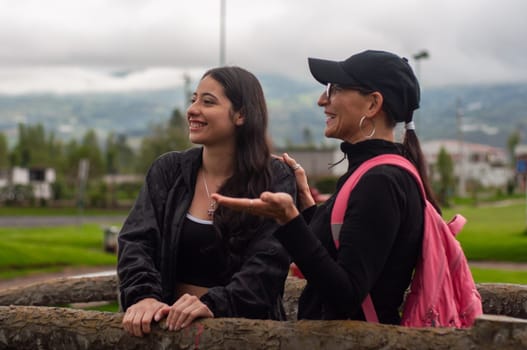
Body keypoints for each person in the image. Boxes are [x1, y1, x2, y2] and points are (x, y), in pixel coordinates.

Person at [213, 50, 440, 324]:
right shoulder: (372, 172)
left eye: (335, 89)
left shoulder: (381, 181)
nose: (322, 100)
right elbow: (338, 253)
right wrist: (307, 206)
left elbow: (345, 294)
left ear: (372, 105)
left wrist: (290, 220)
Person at [118, 66, 296, 337]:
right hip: (169, 335)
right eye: (194, 99)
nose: (192, 110)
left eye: (208, 101)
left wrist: (212, 305)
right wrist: (143, 297)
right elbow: (136, 242)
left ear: (241, 115)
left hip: (246, 338)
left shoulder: (275, 178)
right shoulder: (168, 171)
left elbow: (268, 264)